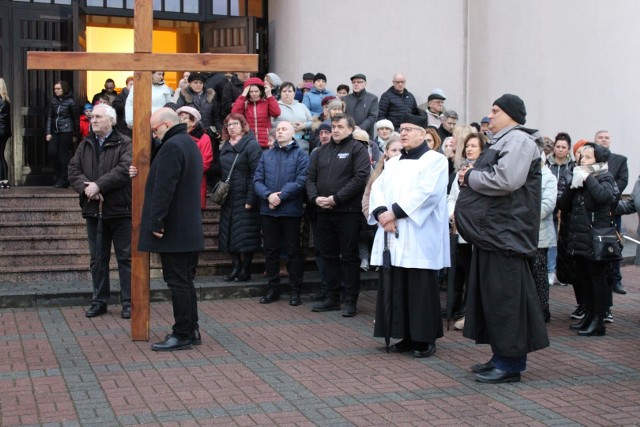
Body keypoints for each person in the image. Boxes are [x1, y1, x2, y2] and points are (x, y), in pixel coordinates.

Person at [455, 94, 549, 383]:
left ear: (511, 114)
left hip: (506, 234)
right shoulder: (503, 141)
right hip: (495, 234)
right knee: (494, 299)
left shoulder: (519, 141)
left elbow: (507, 181)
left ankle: (510, 365)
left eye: (495, 111)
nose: (490, 115)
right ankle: (500, 356)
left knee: (506, 300)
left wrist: (471, 177)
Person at [368, 113, 449, 357]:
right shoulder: (393, 162)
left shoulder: (435, 160)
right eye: (401, 129)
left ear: (423, 133)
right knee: (397, 284)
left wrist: (394, 213)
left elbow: (428, 194)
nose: (403, 133)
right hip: (392, 232)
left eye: (409, 129)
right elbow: (377, 188)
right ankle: (403, 334)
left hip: (419, 233)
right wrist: (383, 213)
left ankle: (424, 338)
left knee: (420, 286)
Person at [139, 107, 204, 351]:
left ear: (166, 124)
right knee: (185, 280)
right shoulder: (188, 143)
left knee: (177, 281)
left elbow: (164, 187)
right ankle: (192, 329)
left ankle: (182, 334)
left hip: (174, 228)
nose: (154, 135)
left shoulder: (172, 146)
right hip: (187, 226)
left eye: (155, 130)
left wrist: (156, 220)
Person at [68, 104, 132, 319]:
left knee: (125, 258)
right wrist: (88, 189)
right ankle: (99, 301)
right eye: (92, 116)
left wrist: (99, 185)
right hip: (94, 210)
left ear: (111, 120)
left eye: (98, 116)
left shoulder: (125, 143)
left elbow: (124, 170)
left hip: (120, 209)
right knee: (98, 259)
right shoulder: (85, 144)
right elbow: (73, 170)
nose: (92, 119)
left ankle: (129, 302)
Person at [306, 114, 370, 317]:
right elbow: (310, 177)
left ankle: (350, 300)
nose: (335, 130)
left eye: (340, 126)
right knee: (327, 255)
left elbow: (360, 178)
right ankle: (331, 297)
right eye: (333, 126)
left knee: (349, 257)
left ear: (351, 129)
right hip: (323, 211)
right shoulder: (320, 151)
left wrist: (337, 198)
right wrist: (315, 198)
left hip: (347, 212)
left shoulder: (358, 149)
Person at [557, 142, 618, 336]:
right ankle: (589, 316)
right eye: (582, 157)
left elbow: (604, 197)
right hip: (580, 238)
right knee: (584, 279)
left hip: (595, 238)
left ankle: (598, 321)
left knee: (597, 279)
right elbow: (563, 205)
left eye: (589, 157)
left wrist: (588, 178)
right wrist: (573, 185)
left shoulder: (604, 176)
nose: (583, 160)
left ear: (598, 159)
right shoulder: (578, 178)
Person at [253, 121, 309, 305]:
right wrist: (268, 196)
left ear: (293, 133)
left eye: (284, 129)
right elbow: (257, 180)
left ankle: (295, 290)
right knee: (270, 251)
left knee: (293, 251)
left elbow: (301, 180)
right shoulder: (266, 155)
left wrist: (281, 196)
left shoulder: (301, 155)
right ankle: (272, 289)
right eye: (278, 130)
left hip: (290, 211)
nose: (280, 132)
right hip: (269, 211)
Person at [446, 132, 487, 329]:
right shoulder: (461, 169)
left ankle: (470, 311)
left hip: (476, 230)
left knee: (473, 272)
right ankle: (456, 306)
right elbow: (453, 196)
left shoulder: (485, 171)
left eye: (474, 146)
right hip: (459, 229)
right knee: (460, 270)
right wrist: (452, 213)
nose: (469, 149)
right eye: (468, 145)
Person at [217, 113, 263, 282]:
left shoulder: (251, 145)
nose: (231, 127)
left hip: (245, 196)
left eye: (235, 124)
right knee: (229, 233)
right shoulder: (225, 145)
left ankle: (245, 268)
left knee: (246, 234)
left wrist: (251, 199)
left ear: (243, 125)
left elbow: (256, 174)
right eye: (228, 125)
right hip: (228, 197)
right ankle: (235, 266)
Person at [594, 130, 628, 297]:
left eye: (607, 137)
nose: (604, 140)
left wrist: (609, 195)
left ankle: (616, 279)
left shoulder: (620, 160)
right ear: (595, 140)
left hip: (612, 209)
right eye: (600, 137)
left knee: (615, 245)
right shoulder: (590, 159)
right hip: (595, 210)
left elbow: (623, 180)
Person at [545, 132, 574, 286]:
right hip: (549, 206)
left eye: (564, 147)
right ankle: (550, 270)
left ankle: (562, 272)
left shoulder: (573, 166)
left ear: (568, 149)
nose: (560, 150)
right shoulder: (547, 164)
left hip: (565, 208)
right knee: (550, 239)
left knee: (563, 241)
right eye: (558, 146)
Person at [176, 106, 213, 209]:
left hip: (195, 181)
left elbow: (206, 162)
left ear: (193, 122)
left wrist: (186, 169)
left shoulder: (204, 138)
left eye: (184, 118)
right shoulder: (175, 136)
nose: (181, 120)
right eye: (179, 118)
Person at [46, 80, 80, 188]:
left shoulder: (71, 102)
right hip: (55, 131)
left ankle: (64, 179)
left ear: (64, 89)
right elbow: (49, 117)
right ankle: (58, 173)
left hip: (66, 130)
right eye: (55, 89)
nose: (56, 91)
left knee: (63, 155)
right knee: (52, 151)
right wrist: (48, 132)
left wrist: (76, 134)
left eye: (58, 89)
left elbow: (76, 119)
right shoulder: (53, 101)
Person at [231, 77, 281, 149]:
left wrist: (269, 95)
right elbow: (235, 114)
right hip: (249, 142)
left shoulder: (266, 102)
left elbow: (276, 113)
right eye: (251, 91)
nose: (254, 94)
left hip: (266, 142)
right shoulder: (245, 103)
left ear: (260, 91)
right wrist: (243, 95)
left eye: (256, 91)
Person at [274, 81, 313, 152]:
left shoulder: (302, 106)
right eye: (284, 91)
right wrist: (287, 126)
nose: (287, 93)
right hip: (282, 142)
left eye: (289, 91)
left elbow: (312, 122)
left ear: (294, 93)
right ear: (280, 93)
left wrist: (304, 125)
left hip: (301, 141)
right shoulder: (275, 106)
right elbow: (271, 124)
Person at [0, 78, 11, 189]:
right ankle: (5, 181)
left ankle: (1, 180)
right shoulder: (6, 101)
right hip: (4, 132)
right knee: (1, 156)